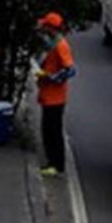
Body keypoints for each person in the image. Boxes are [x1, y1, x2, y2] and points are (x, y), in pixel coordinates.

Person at [35, 12, 76, 178]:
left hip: (55, 96)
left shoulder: (60, 46)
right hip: (49, 95)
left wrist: (49, 77)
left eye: (46, 26)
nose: (44, 28)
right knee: (48, 129)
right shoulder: (53, 43)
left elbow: (70, 70)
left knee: (53, 131)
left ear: (51, 28)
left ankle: (56, 164)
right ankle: (52, 162)